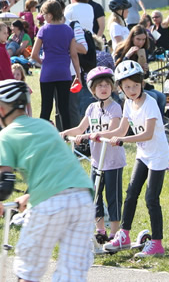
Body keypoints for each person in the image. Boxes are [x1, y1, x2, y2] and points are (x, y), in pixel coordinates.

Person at [0, 80, 94, 281]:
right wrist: (29, 196)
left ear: (0, 110)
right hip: (82, 197)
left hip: (49, 204)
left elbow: (5, 183)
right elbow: (57, 172)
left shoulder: (5, 136)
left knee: (29, 269)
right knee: (72, 273)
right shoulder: (45, 126)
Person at [99, 60, 169, 258]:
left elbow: (148, 134)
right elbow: (121, 130)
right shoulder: (128, 103)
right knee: (131, 194)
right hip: (143, 155)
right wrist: (97, 134)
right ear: (120, 88)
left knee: (151, 199)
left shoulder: (150, 103)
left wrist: (122, 140)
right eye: (127, 87)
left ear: (142, 84)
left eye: (135, 86)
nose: (132, 90)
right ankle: (124, 235)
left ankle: (157, 243)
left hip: (157, 155)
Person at [61, 66, 125, 242]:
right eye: (99, 86)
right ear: (93, 89)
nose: (103, 88)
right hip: (97, 161)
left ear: (112, 86)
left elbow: (112, 131)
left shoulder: (115, 108)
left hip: (113, 161)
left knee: (113, 197)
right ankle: (100, 230)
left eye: (107, 85)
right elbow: (80, 128)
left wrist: (90, 135)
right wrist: (64, 133)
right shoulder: (91, 108)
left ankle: (114, 232)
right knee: (95, 196)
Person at [30, 0, 84, 130]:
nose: (43, 17)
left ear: (50, 15)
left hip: (47, 73)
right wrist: (78, 75)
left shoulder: (43, 30)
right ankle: (66, 137)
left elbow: (34, 54)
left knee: (46, 108)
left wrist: (43, 62)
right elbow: (74, 55)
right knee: (64, 109)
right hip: (64, 73)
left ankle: (41, 135)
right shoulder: (68, 30)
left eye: (44, 14)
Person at [113, 25, 167, 114]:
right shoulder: (121, 50)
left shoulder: (143, 51)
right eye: (138, 39)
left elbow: (145, 76)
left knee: (162, 97)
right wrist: (127, 56)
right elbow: (117, 71)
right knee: (153, 96)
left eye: (143, 39)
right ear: (132, 38)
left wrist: (145, 70)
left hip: (140, 85)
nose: (141, 42)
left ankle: (158, 119)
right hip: (126, 87)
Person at [65, 0, 99, 117]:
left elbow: (66, 23)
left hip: (76, 40)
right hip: (89, 40)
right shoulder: (90, 7)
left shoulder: (70, 8)